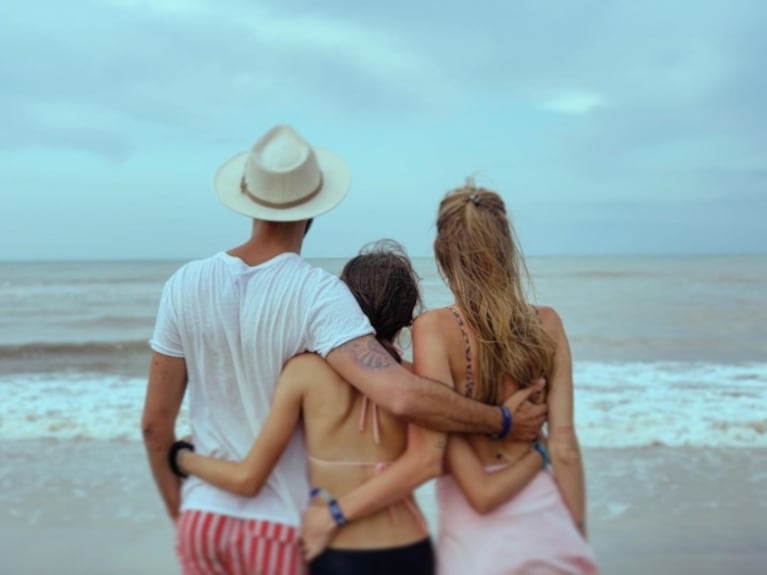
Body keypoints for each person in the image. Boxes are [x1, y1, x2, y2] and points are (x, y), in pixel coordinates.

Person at [140, 125, 547, 575]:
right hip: (278, 526)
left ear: (247, 199)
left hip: (203, 519)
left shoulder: (183, 284)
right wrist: (501, 420)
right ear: (313, 210)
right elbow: (403, 397)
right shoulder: (317, 294)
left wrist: (184, 514)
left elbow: (154, 427)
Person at [171, 240, 443, 574]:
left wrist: (183, 457)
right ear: (407, 316)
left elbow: (249, 474)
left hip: (336, 548)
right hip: (408, 547)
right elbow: (427, 461)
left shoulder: (304, 372)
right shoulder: (417, 386)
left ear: (343, 304)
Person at [419, 181, 600, 574]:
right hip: (548, 525)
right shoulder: (548, 324)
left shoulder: (432, 330)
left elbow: (448, 440)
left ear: (442, 253)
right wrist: (577, 534)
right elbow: (565, 444)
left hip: (474, 544)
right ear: (506, 248)